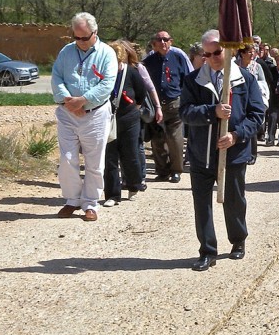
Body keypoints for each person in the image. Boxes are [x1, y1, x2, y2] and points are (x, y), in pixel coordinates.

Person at [179, 29, 266, 271]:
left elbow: (257, 114)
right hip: (202, 153)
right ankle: (207, 250)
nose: (212, 58)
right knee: (201, 203)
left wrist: (236, 135)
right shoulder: (193, 80)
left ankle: (238, 240)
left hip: (234, 152)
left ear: (227, 50)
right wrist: (211, 112)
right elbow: (185, 112)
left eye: (217, 52)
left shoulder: (244, 79)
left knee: (235, 199)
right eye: (206, 54)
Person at [50, 12, 118, 222]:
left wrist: (84, 100)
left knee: (94, 161)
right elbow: (57, 77)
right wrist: (68, 101)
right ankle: (72, 200)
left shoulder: (106, 53)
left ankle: (90, 203)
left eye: (84, 37)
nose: (80, 42)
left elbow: (107, 83)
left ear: (94, 33)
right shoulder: (66, 52)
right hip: (67, 113)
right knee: (67, 159)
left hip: (95, 114)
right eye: (76, 37)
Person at [103, 41, 162, 206]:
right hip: (108, 119)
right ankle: (112, 195)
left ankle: (134, 186)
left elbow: (142, 93)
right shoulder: (103, 73)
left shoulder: (132, 72)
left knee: (130, 153)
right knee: (110, 156)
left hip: (129, 119)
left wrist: (133, 109)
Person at [142, 29, 190, 183]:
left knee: (175, 138)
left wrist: (184, 99)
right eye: (159, 40)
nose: (162, 42)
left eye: (166, 39)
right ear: (154, 43)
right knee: (157, 139)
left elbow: (186, 79)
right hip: (155, 104)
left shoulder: (179, 58)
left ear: (171, 41)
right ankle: (162, 170)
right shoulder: (148, 61)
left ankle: (176, 170)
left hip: (174, 103)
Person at [236, 44, 270, 164]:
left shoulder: (257, 67)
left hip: (252, 99)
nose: (252, 55)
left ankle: (252, 154)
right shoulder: (235, 65)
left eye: (253, 52)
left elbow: (263, 82)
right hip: (238, 99)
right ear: (242, 53)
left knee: (252, 125)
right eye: (249, 52)